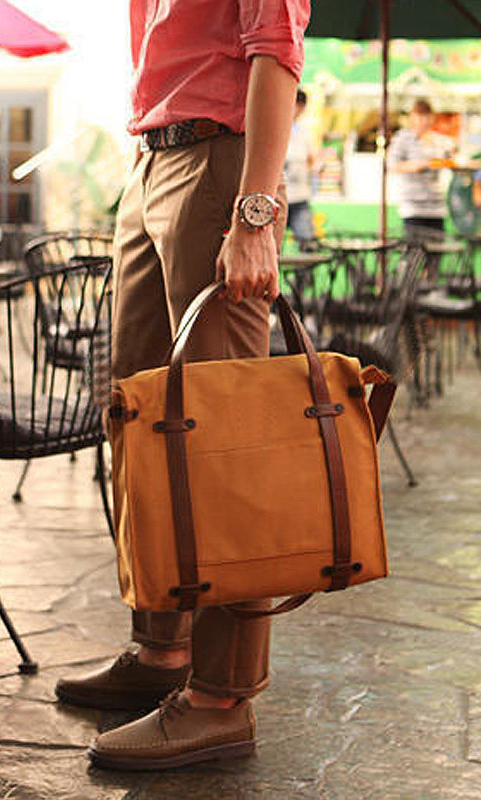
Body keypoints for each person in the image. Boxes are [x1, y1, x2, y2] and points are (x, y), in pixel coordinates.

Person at [54, 0, 311, 772]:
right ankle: (161, 648)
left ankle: (222, 697)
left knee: (224, 441)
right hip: (150, 160)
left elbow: (276, 51)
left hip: (220, 162)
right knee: (137, 421)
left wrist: (256, 212)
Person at [388, 99, 454, 241]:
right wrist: (418, 165)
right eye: (420, 117)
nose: (424, 122)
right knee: (415, 250)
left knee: (436, 250)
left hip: (436, 207)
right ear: (412, 117)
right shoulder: (403, 138)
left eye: (427, 117)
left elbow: (451, 161)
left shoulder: (439, 140)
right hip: (413, 207)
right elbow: (392, 165)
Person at [284, 87, 317, 250]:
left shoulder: (304, 131)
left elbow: (311, 159)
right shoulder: (274, 126)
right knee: (272, 248)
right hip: (277, 198)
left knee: (307, 244)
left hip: (300, 197)